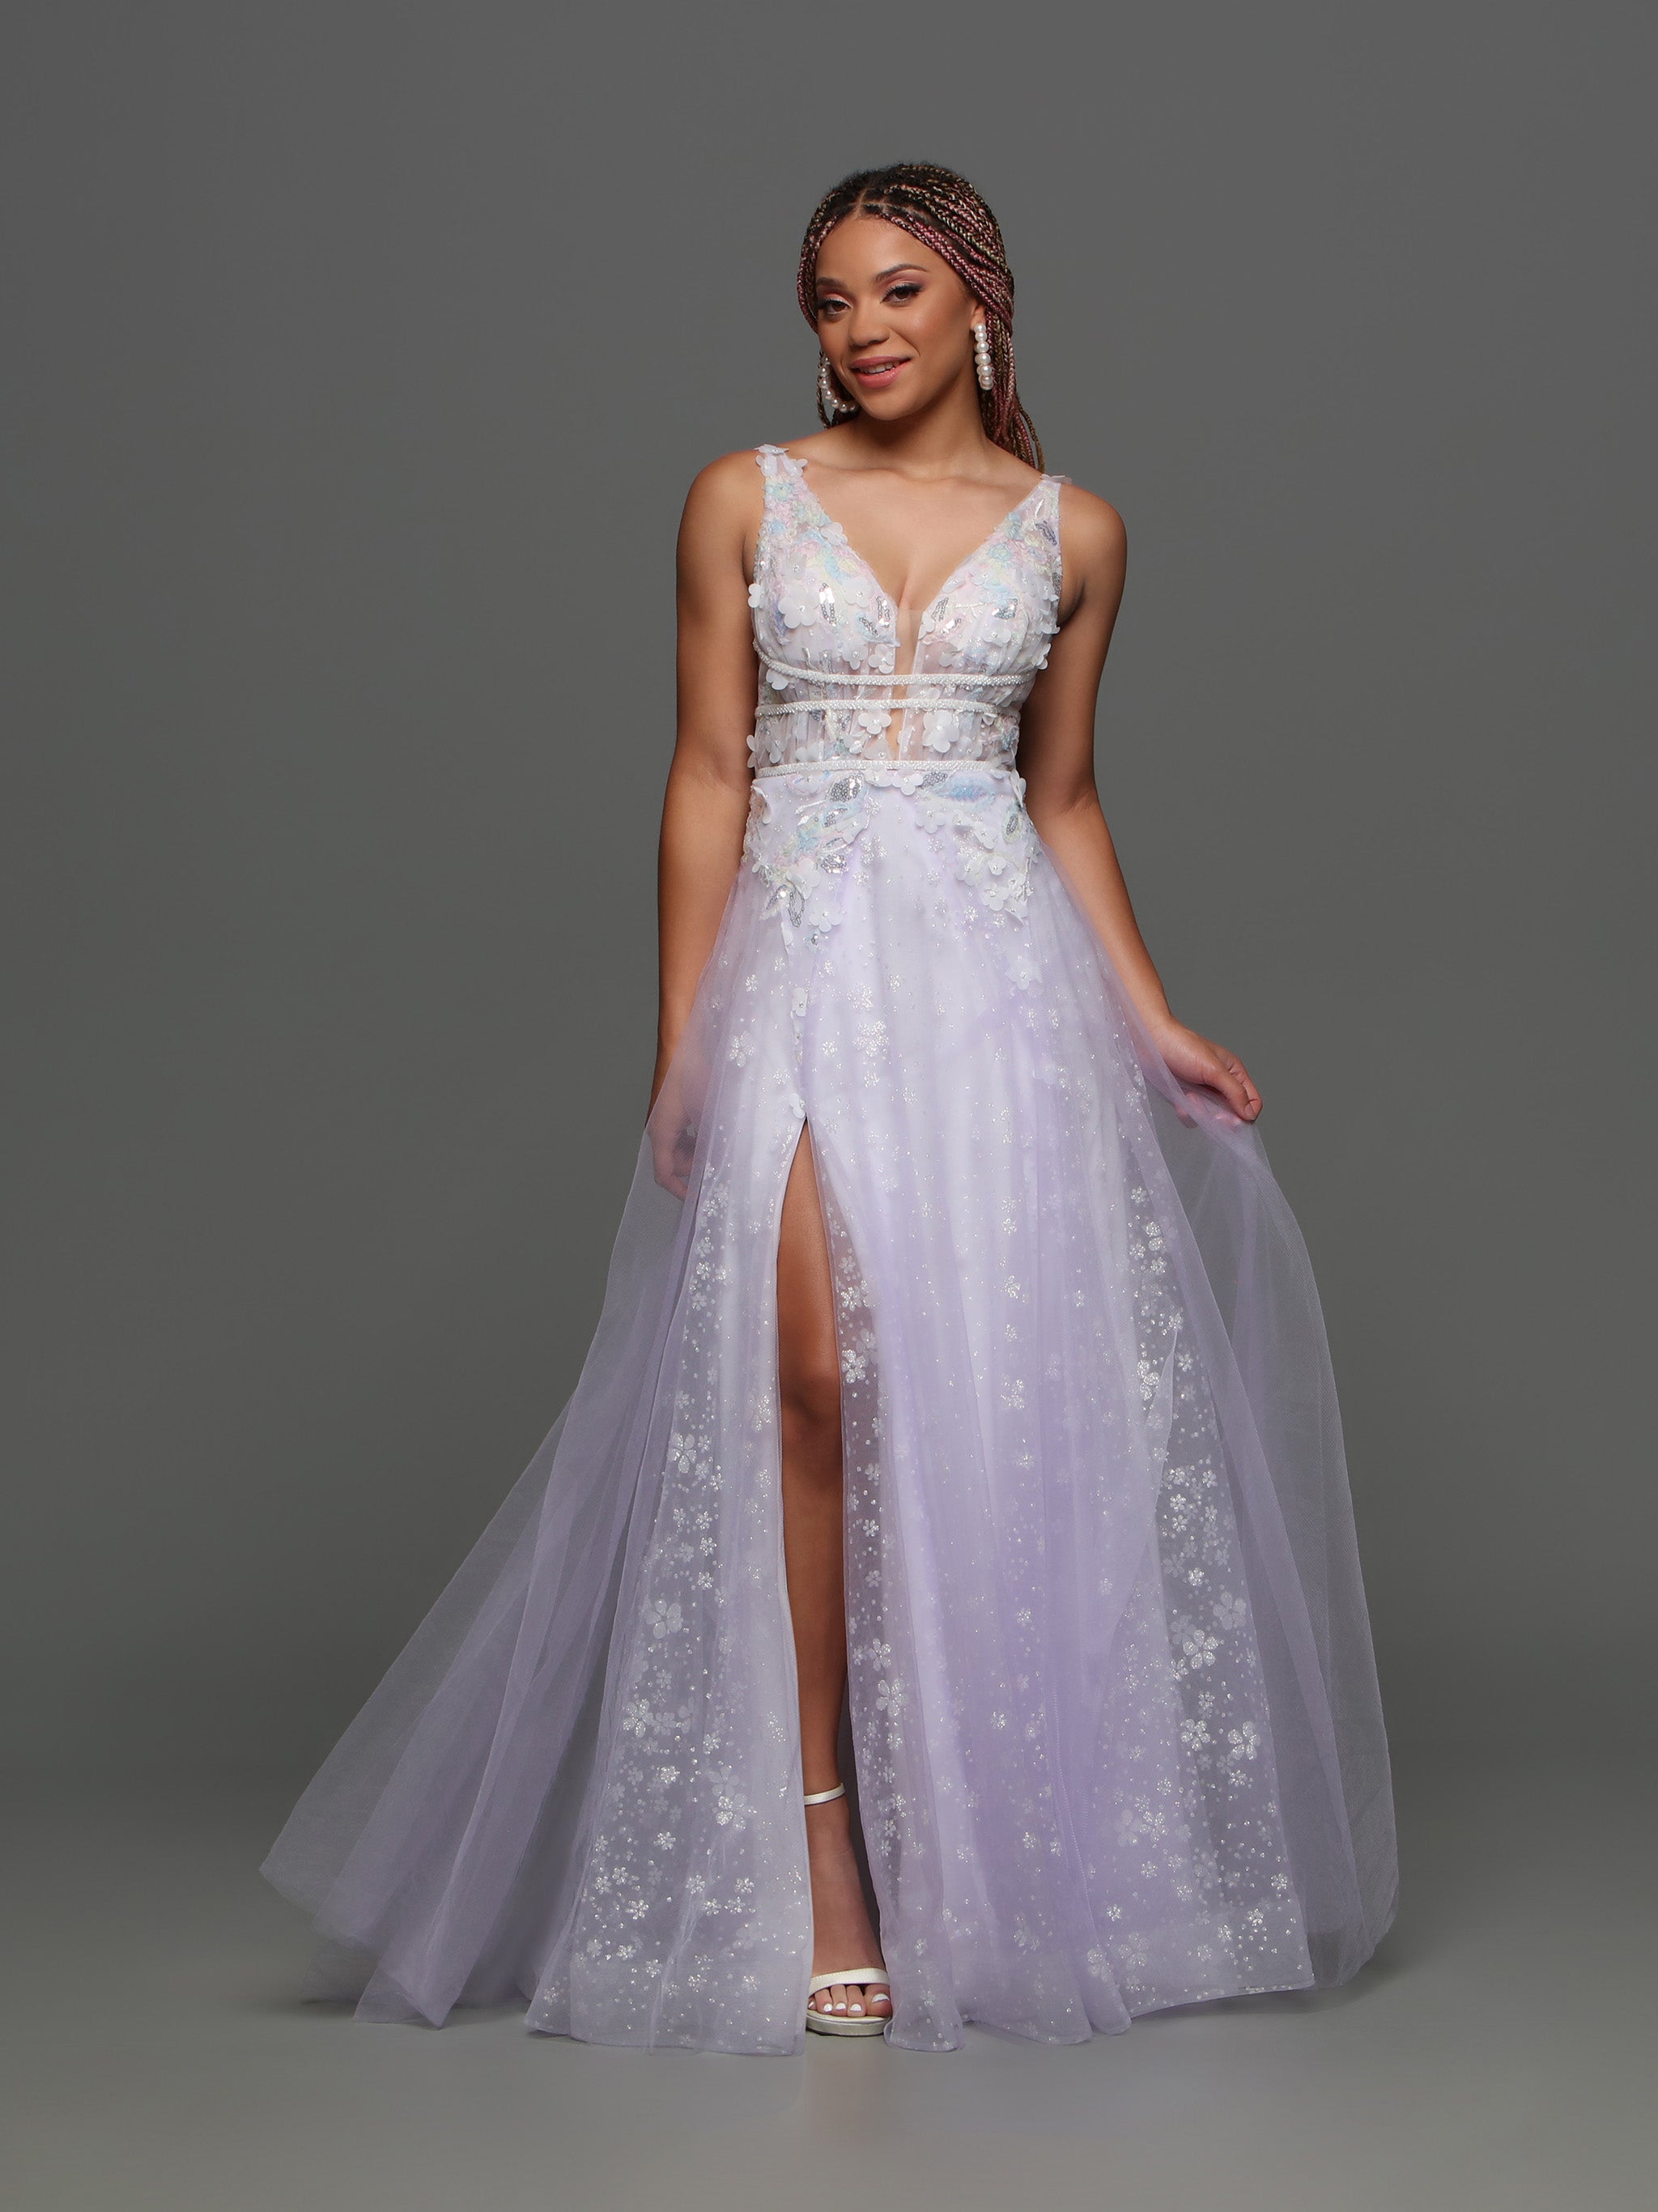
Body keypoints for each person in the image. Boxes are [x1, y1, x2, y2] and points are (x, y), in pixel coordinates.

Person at [262, 163, 1397, 2054]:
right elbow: (708, 771)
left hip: (998, 997)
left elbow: (1062, 798)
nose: (859, 329)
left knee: (986, 1398)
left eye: (896, 290)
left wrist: (1152, 1019)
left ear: (980, 304)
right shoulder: (743, 497)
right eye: (829, 299)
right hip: (799, 972)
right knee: (808, 1377)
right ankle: (822, 1854)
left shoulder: (1078, 532)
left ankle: (986, 1849)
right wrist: (679, 1041)